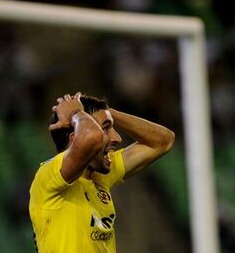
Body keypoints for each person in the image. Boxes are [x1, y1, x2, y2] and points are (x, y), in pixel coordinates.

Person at [29, 92, 175, 253]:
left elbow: (162, 142)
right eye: (106, 128)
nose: (117, 138)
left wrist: (109, 113)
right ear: (74, 137)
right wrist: (75, 113)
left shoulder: (100, 175)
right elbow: (92, 137)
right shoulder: (48, 177)